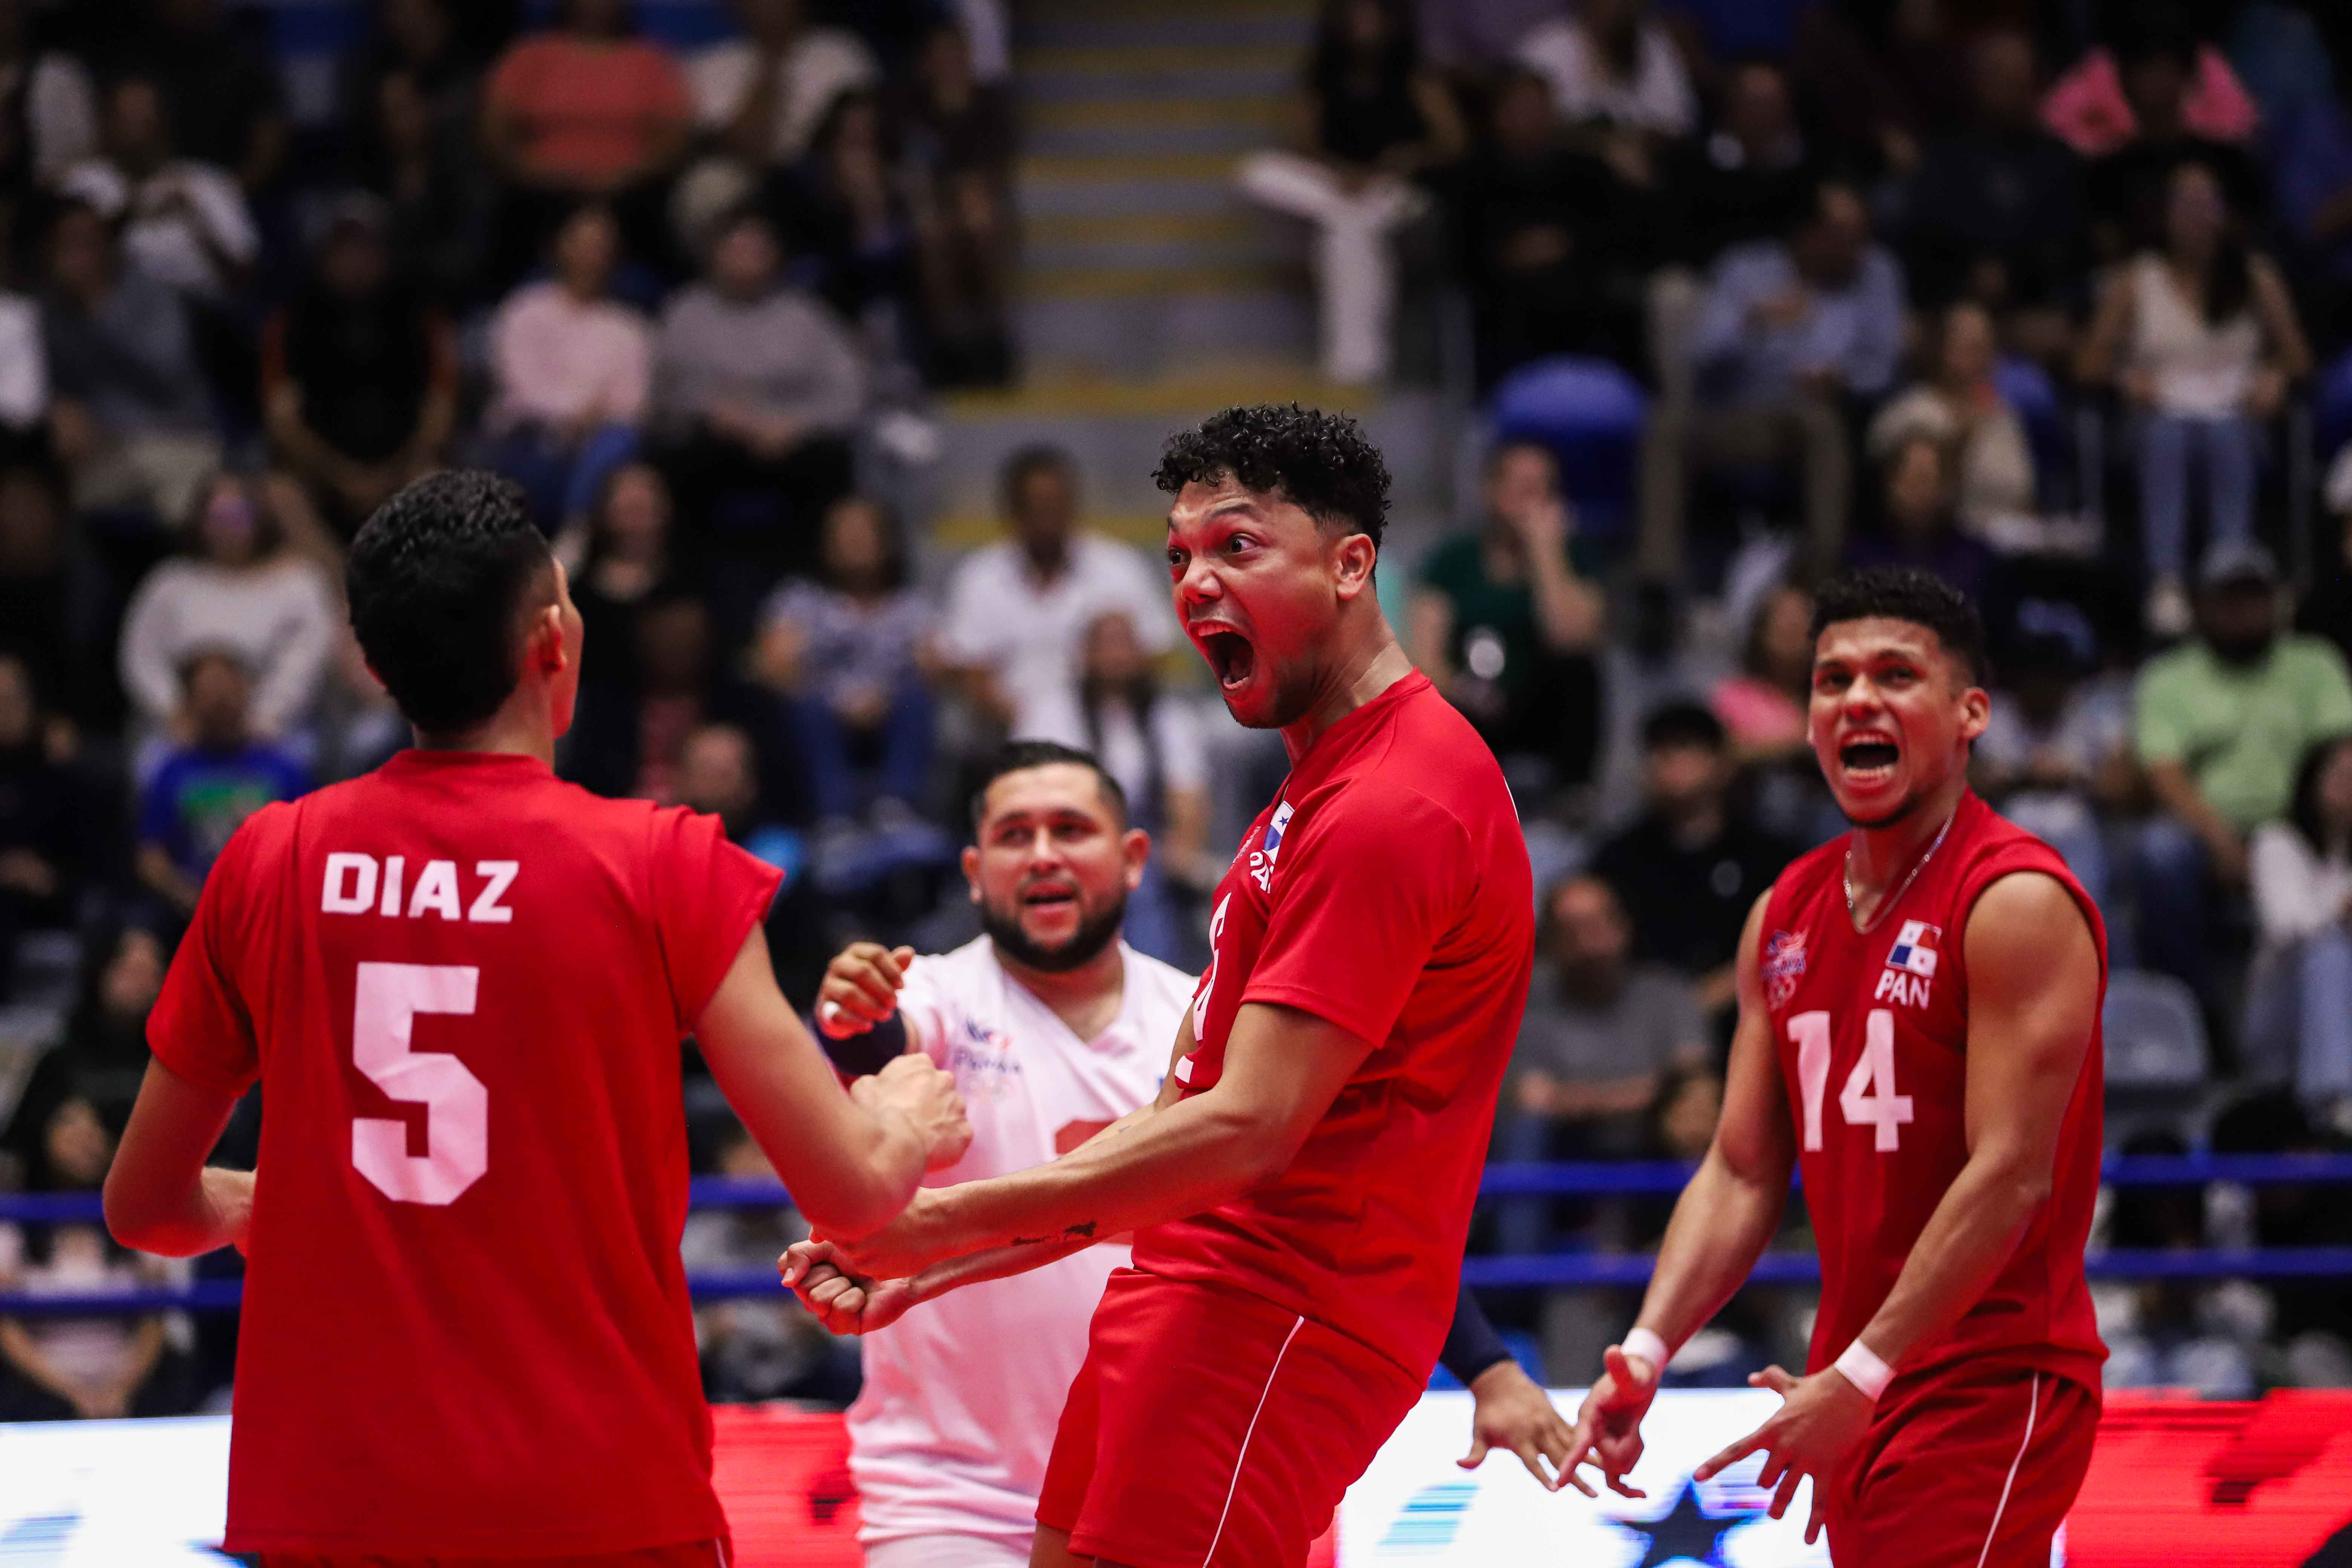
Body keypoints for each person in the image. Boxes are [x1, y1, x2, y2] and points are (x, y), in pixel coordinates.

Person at [101, 469, 968, 1561]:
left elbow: (146, 1208)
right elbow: (852, 1193)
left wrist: (266, 1200)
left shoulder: (270, 857)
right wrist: (905, 1119)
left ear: (377, 668)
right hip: (599, 1499)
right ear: (554, 640)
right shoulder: (660, 864)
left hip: (336, 1504)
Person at [786, 404, 1545, 1566]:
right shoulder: (1313, 790)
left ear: (1351, 565)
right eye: (1179, 557)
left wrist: (926, 1222)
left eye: (1237, 546)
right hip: (1185, 1288)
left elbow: (1248, 1130)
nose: (1196, 585)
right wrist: (938, 1263)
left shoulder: (1394, 802)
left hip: (1279, 1318)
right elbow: (1174, 1122)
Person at [809, 741, 1564, 1565]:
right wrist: (851, 1018)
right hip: (948, 1494)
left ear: (1135, 858)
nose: (1044, 854)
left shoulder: (1210, 1015)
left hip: (1151, 1445)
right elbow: (875, 1041)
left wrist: (1489, 1367)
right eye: (1015, 835)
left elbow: (1340, 1203)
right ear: (974, 871)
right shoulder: (935, 992)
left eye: (1071, 829)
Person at [1564, 566, 2109, 1565]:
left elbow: (2011, 1176)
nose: (1858, 699)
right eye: (1833, 680)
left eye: (1896, 675)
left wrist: (1862, 1374)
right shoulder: (1783, 914)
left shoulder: (2016, 900)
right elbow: (1741, 1170)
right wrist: (1644, 1350)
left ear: (1971, 713)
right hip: (1850, 1377)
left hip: (1987, 1377)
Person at [2076, 159, 2312, 634]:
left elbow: (2300, 360)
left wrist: (2275, 378)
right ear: (2165, 214)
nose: (2197, 215)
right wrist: (2126, 380)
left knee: (2225, 438)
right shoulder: (2137, 280)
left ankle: (2230, 573)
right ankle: (2166, 582)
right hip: (2157, 418)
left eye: (2207, 203)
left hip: (2237, 418)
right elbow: (2088, 365)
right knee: (2168, 437)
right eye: (2186, 203)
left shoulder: (2256, 277)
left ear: (2224, 213)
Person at [1642, 176, 1906, 584]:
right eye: (1841, 235)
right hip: (1736, 413)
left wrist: (1845, 378)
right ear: (1806, 234)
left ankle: (1820, 578)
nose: (1854, 247)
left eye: (1860, 234)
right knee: (1667, 424)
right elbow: (1699, 355)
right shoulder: (1747, 269)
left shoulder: (1876, 273)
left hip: (1817, 416)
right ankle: (1656, 582)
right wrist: (1752, 320)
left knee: (1820, 424)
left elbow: (1886, 366)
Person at [2133, 541, 2352, 1001]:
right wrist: (2220, 841)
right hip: (2208, 833)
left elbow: (2340, 749)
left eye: (2254, 596)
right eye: (2230, 598)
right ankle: (2193, 1009)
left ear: (2277, 601)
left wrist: (2321, 825)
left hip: (2303, 827)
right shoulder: (2169, 677)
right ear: (2202, 605)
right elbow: (2163, 770)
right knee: (2160, 852)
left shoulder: (2314, 662)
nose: (2243, 611)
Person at [1235, 0, 1466, 384]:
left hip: (1398, 192)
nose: (1365, 25)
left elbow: (1453, 143)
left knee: (1352, 223)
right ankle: (1357, 366)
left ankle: (1355, 367)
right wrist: (1340, 172)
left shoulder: (1417, 77)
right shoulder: (1321, 78)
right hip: (1338, 188)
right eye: (1356, 15)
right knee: (1260, 173)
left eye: (1373, 15)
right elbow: (1300, 143)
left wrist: (1406, 159)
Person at [652, 205, 863, 586]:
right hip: (713, 439)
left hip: (791, 441)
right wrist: (711, 412)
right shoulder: (685, 313)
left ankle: (815, 586)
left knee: (833, 462)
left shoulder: (808, 316)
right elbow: (665, 392)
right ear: (714, 255)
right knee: (673, 461)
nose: (746, 260)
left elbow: (849, 394)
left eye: (757, 250)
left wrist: (795, 426)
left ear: (776, 256)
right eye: (736, 249)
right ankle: (683, 586)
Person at [936, 446, 1174, 743]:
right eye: (1037, 506)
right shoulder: (980, 577)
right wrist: (1036, 725)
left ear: (1073, 504)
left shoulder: (1120, 568)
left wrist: (1092, 718)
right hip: (1008, 735)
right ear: (1013, 510)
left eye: (1056, 504)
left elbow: (1154, 651)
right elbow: (970, 667)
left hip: (1106, 734)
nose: (1048, 516)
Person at [1408, 440, 1605, 790]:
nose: (1528, 498)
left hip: (1543, 710)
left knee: (1581, 675)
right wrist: (1466, 690)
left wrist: (1545, 552)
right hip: (1473, 706)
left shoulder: (1576, 560)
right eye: (1519, 485)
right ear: (1490, 489)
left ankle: (1571, 797)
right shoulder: (1452, 561)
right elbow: (1425, 659)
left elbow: (1571, 639)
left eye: (1540, 488)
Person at [262, 196, 458, 534]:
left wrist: (391, 475)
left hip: (404, 471)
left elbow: (440, 410)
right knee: (280, 494)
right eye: (343, 250)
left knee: (435, 483)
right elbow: (281, 418)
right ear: (322, 257)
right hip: (321, 477)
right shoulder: (291, 322)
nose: (355, 261)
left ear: (386, 255)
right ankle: (333, 571)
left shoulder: (420, 316)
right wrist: (343, 477)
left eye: (365, 249)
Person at [1590, 701, 1797, 1018]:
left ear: (1722, 765)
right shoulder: (1617, 858)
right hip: (1641, 1020)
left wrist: (1712, 996)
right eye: (1657, 750)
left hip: (1747, 1017)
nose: (1668, 761)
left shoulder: (1769, 857)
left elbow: (1791, 945)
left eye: (1684, 747)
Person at [751, 494, 936, 836]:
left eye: (864, 533)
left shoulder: (911, 605)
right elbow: (774, 667)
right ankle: (833, 819)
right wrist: (837, 701)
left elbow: (934, 669)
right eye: (843, 534)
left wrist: (883, 698)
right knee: (808, 707)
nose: (854, 542)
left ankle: (898, 810)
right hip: (822, 713)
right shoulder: (800, 599)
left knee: (917, 700)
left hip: (891, 711)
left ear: (887, 542)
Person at [117, 472, 339, 756]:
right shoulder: (170, 583)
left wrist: (265, 716)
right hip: (179, 732)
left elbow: (306, 658)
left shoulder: (298, 583)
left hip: (278, 732)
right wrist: (172, 710)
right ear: (199, 520)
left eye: (238, 516)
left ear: (260, 517)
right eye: (217, 516)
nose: (228, 527)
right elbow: (142, 658)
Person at [41, 199, 220, 525]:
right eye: (68, 243)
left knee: (198, 513)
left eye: (89, 241)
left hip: (177, 437)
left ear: (107, 244)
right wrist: (63, 410)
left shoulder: (150, 291)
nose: (80, 254)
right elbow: (63, 390)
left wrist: (97, 304)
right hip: (105, 453)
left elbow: (167, 371)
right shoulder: (56, 313)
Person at [486, 202, 651, 532]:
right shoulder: (525, 310)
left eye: (602, 246)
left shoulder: (629, 327)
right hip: (530, 435)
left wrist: (592, 420)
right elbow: (520, 387)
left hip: (599, 441)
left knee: (621, 441)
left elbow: (633, 402)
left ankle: (576, 531)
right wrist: (576, 413)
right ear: (560, 247)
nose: (592, 255)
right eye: (583, 243)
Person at [134, 649, 308, 920]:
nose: (220, 702)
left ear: (245, 691)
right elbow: (150, 857)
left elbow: (310, 849)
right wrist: (188, 895)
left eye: (227, 689)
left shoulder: (283, 769)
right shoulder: (173, 771)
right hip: (187, 909)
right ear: (188, 703)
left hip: (268, 907)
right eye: (208, 693)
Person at [2243, 734, 2352, 1129]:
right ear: (2312, 782)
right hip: (2283, 1020)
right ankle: (2336, 1106)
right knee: (2328, 954)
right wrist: (2342, 913)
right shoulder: (2277, 842)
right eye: (2341, 775)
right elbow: (2288, 926)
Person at [1866, 301, 2038, 544]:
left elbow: (2025, 493)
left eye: (1988, 348)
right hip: (1944, 550)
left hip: (2016, 545)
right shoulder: (1909, 414)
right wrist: (1963, 435)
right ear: (1941, 349)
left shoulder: (2003, 414)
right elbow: (1907, 503)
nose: (1983, 358)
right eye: (1973, 347)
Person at [1845, 435, 1998, 610]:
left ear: (1947, 487)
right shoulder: (1861, 557)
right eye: (1909, 480)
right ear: (1889, 485)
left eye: (1925, 480)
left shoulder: (1975, 561)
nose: (1917, 492)